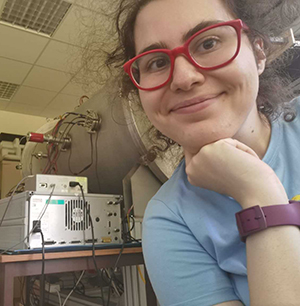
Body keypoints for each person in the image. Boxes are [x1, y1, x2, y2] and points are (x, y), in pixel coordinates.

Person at [106, 0, 300, 305]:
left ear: (259, 52)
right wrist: (258, 194)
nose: (184, 78)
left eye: (208, 42)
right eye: (157, 62)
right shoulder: (169, 220)